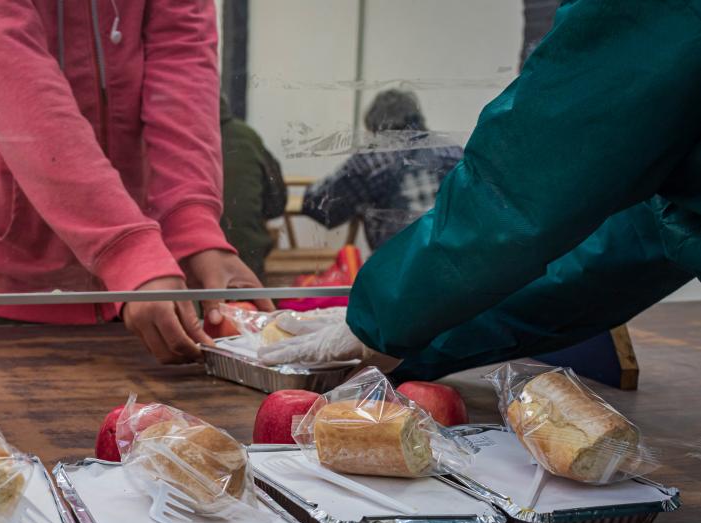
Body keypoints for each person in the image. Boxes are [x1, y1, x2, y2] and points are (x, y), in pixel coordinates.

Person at [259, 0, 701, 382]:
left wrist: (385, 316)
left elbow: (521, 183)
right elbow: (624, 247)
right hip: (430, 277)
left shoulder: (369, 159)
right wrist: (413, 333)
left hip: (418, 266)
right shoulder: (449, 150)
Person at [0, 0, 269, 364]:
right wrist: (128, 249)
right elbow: (11, 69)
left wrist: (193, 230)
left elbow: (181, 58)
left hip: (147, 282)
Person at [300, 89, 463, 251]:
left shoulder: (374, 159)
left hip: (397, 265)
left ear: (375, 124)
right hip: (455, 259)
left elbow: (320, 206)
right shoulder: (453, 151)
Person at [219, 95, 287, 280]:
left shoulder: (160, 140)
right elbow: (276, 204)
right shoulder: (247, 136)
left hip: (178, 271)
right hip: (248, 261)